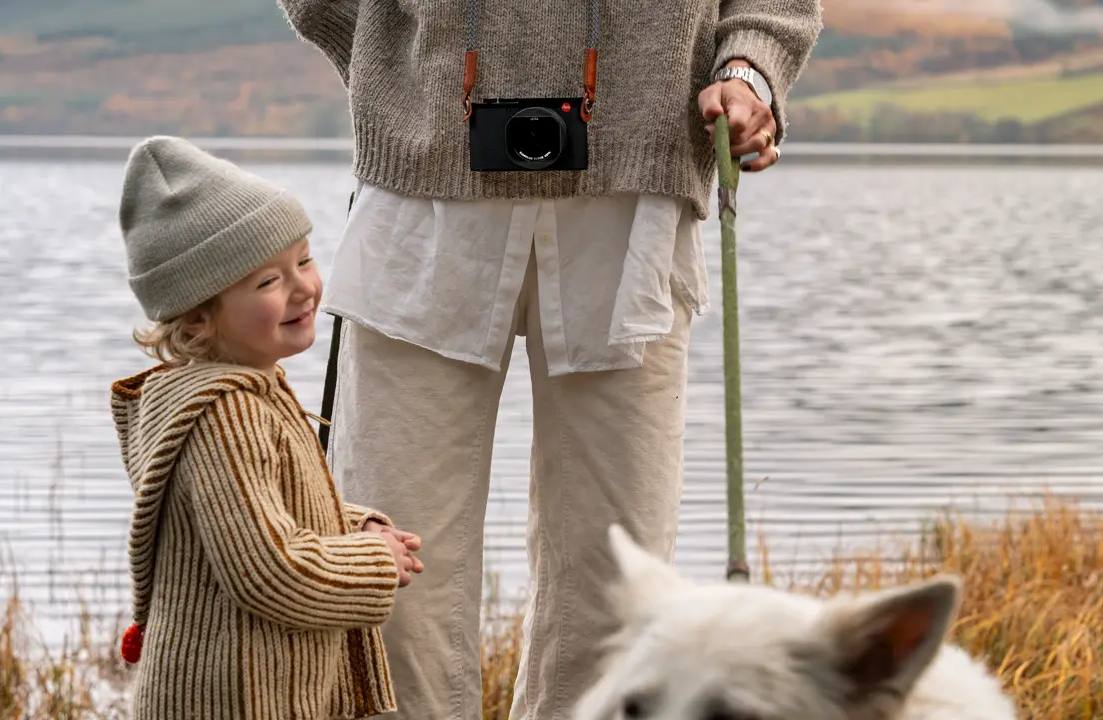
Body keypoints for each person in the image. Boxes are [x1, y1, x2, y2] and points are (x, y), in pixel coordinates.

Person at [278, 1, 823, 718]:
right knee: (388, 574)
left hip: (638, 195)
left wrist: (748, 68)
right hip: (423, 194)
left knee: (619, 586)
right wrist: (403, 66)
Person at [109, 136, 424, 719]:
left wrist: (356, 526)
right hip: (238, 696)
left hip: (248, 684)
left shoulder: (240, 385)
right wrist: (376, 564)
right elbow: (267, 570)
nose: (303, 286)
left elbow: (251, 513)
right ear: (199, 316)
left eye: (303, 259)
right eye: (268, 282)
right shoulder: (227, 412)